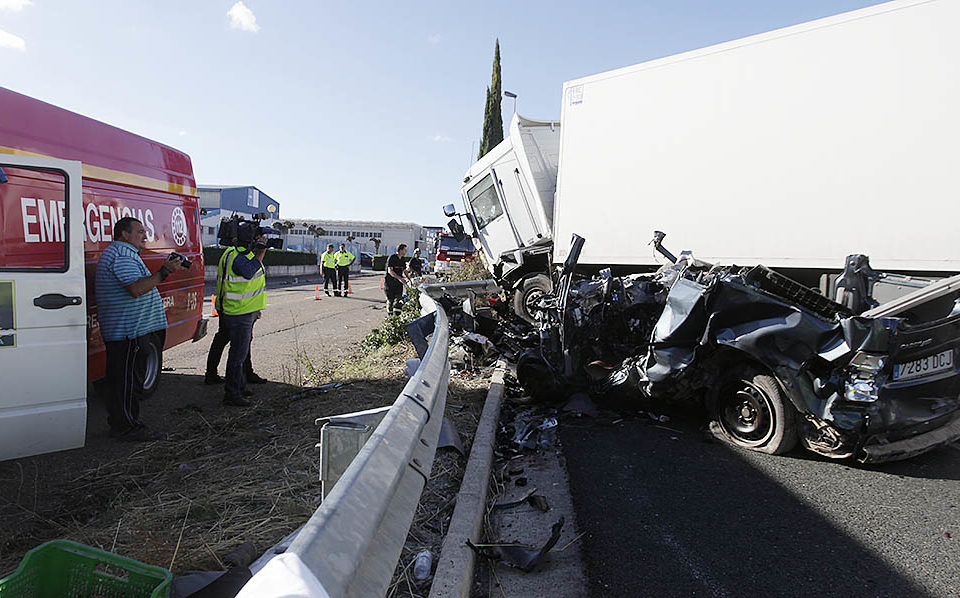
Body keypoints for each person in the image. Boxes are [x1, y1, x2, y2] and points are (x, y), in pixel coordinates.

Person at [95, 216, 189, 441]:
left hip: (131, 331)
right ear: (124, 234)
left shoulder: (125, 254)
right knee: (126, 383)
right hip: (128, 332)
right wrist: (164, 272)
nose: (144, 236)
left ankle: (123, 423)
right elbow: (136, 289)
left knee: (125, 381)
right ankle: (127, 428)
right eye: (139, 231)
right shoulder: (121, 255)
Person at [218, 233, 268, 407]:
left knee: (240, 352)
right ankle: (232, 394)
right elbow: (248, 272)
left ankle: (239, 385)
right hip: (239, 312)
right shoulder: (238, 256)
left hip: (245, 310)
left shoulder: (237, 253)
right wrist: (260, 251)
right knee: (237, 355)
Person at [385, 244, 410, 315]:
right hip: (390, 283)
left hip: (398, 283)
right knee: (391, 300)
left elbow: (405, 271)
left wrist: (409, 279)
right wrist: (400, 278)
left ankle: (397, 316)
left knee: (399, 299)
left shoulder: (402, 259)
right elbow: (390, 271)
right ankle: (390, 316)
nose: (406, 251)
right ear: (400, 250)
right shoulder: (392, 258)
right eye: (405, 250)